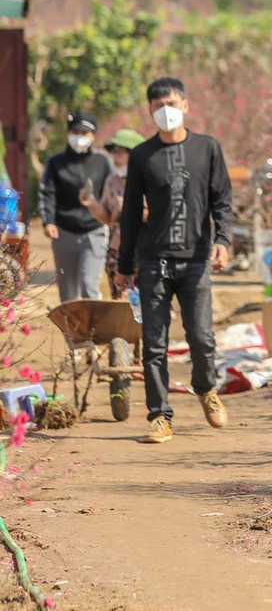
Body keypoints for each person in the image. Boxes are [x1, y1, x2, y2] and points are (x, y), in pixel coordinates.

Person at [115, 79, 233, 444]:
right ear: (150, 112)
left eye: (170, 102)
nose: (165, 110)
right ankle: (160, 416)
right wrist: (124, 266)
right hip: (153, 261)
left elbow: (222, 201)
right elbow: (131, 213)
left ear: (185, 105)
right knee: (153, 342)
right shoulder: (141, 156)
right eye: (157, 106)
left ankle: (206, 389)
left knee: (201, 337)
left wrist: (223, 240)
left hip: (195, 259)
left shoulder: (207, 148)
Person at [39, 111, 113, 302]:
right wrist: (49, 222)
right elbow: (47, 194)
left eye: (84, 133)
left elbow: (113, 192)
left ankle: (93, 331)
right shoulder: (56, 162)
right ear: (68, 133)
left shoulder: (103, 161)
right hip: (64, 232)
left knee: (89, 285)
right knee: (69, 293)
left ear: (93, 136)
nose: (79, 137)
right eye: (75, 132)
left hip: (94, 231)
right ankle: (72, 333)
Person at [80, 128, 144, 299]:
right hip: (117, 249)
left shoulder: (148, 179)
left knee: (147, 301)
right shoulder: (112, 181)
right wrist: (93, 205)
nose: (115, 156)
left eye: (121, 152)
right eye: (113, 152)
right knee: (121, 298)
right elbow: (108, 218)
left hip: (144, 249)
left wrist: (132, 213)